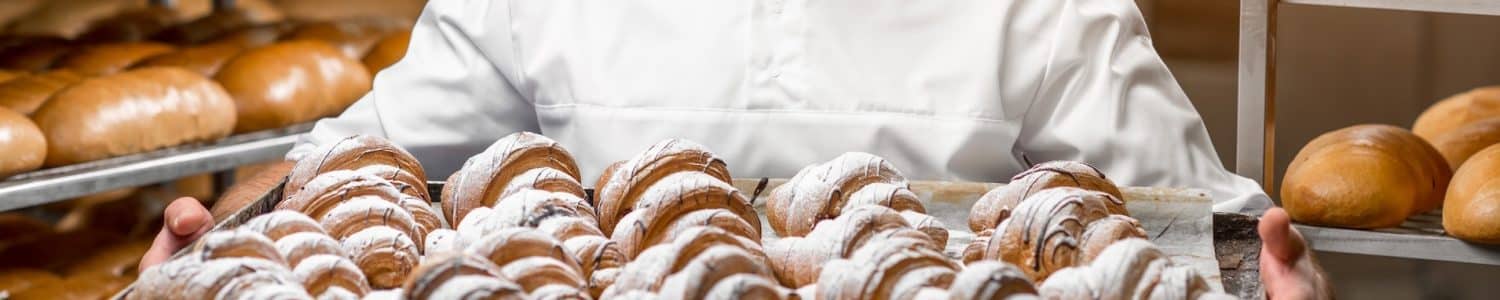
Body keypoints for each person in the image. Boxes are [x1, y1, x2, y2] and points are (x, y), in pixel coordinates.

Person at [140, 0, 1330, 298]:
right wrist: (224, 232)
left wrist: (1283, 275)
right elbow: (350, 171)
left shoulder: (1043, 8)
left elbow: (1202, 230)